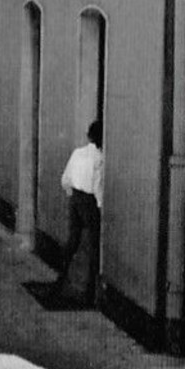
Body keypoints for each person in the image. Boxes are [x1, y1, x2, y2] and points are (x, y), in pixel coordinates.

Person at [58, 121, 105, 304]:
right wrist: (100, 207)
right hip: (90, 201)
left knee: (73, 240)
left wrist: (72, 196)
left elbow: (65, 179)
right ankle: (88, 290)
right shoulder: (99, 158)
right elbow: (98, 186)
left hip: (75, 198)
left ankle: (63, 277)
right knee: (94, 244)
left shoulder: (77, 153)